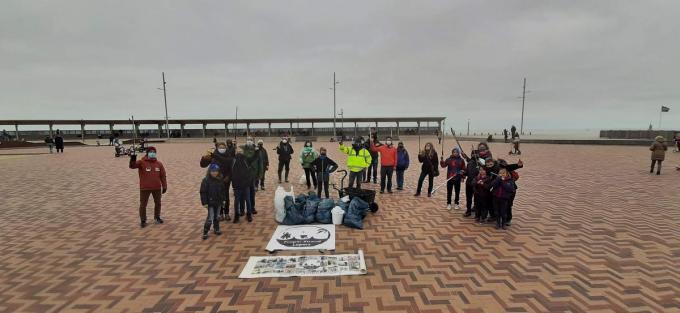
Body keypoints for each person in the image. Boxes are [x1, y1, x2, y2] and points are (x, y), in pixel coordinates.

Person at [129, 146, 167, 228]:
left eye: (154, 152)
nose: (152, 153)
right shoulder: (141, 162)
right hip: (145, 188)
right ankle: (143, 220)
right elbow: (132, 166)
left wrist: (164, 186)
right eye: (151, 152)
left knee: (158, 203)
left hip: (156, 188)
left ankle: (157, 217)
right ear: (147, 153)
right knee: (143, 204)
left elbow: (163, 176)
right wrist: (133, 157)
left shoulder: (159, 164)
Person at [200, 141, 235, 221]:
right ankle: (220, 214)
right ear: (217, 148)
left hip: (226, 179)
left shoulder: (228, 155)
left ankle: (226, 213)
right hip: (215, 179)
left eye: (223, 148)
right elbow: (202, 165)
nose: (222, 149)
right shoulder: (212, 155)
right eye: (220, 148)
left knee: (225, 196)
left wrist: (228, 177)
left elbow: (229, 166)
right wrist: (204, 157)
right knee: (217, 196)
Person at [200, 163, 226, 239]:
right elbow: (203, 192)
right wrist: (204, 203)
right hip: (210, 203)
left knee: (217, 216)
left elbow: (223, 191)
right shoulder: (206, 180)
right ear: (209, 171)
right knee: (210, 217)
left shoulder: (220, 180)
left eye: (216, 171)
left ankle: (216, 228)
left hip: (218, 202)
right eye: (213, 171)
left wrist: (223, 199)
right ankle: (205, 231)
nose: (214, 173)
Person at [232, 146, 254, 223]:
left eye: (240, 151)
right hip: (237, 185)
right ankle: (236, 215)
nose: (239, 153)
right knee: (236, 201)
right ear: (235, 152)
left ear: (243, 152)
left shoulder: (246, 159)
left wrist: (257, 151)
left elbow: (253, 158)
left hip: (246, 185)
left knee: (248, 200)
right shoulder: (233, 160)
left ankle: (249, 214)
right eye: (238, 151)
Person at [241, 137, 260, 215]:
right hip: (242, 175)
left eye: (250, 139)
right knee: (242, 194)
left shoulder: (256, 149)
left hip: (252, 175)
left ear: (253, 141)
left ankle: (252, 208)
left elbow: (259, 161)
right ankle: (242, 210)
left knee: (252, 193)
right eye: (248, 139)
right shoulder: (242, 148)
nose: (249, 141)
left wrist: (259, 173)